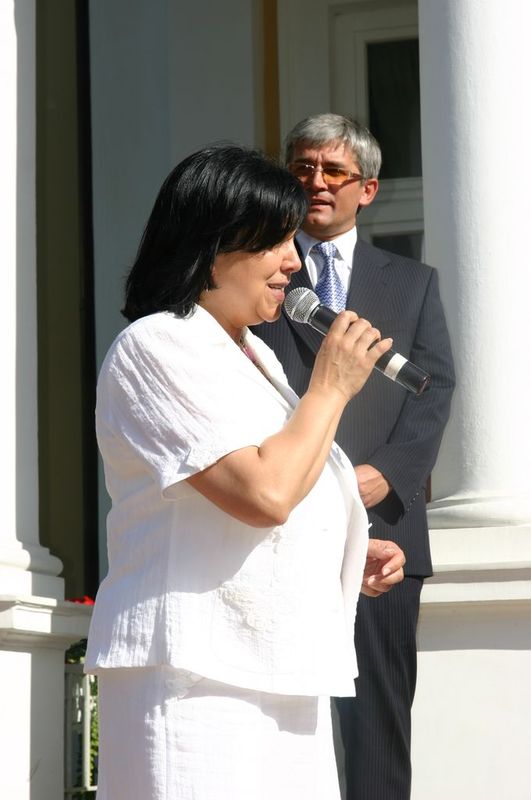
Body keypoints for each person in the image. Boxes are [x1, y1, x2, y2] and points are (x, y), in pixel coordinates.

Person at [84, 143, 406, 800]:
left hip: (283, 670)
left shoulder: (257, 357)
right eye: (276, 241)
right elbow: (263, 492)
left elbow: (284, 488)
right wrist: (330, 388)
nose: (295, 261)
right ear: (213, 245)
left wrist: (343, 548)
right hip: (194, 677)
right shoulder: (155, 345)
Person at [252, 114, 455, 799]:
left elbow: (433, 388)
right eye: (302, 167)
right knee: (277, 720)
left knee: (375, 729)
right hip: (274, 519)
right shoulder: (258, 270)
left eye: (333, 171)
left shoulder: (411, 281)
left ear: (366, 189)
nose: (316, 182)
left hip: (382, 534)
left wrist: (387, 474)